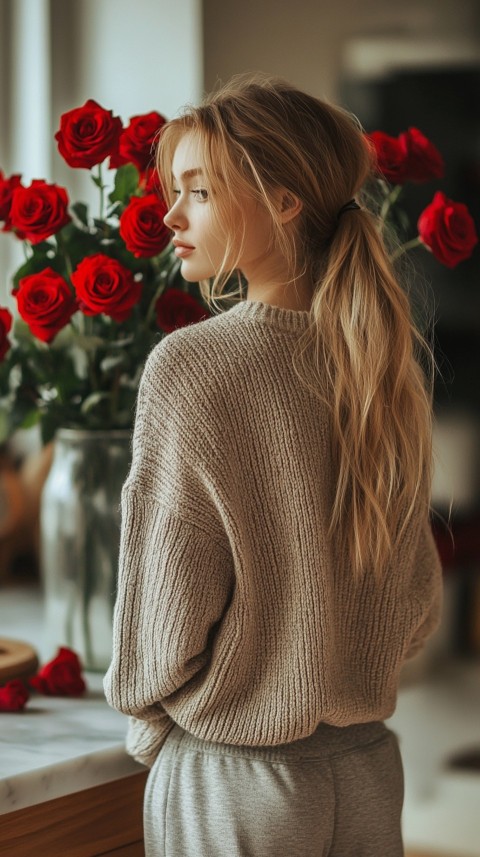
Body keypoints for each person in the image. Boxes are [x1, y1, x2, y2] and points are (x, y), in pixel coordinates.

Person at [104, 73, 443, 857]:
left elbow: (164, 622)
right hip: (365, 775)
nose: (171, 215)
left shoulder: (191, 367)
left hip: (236, 782)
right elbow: (418, 604)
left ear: (284, 201)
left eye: (199, 191)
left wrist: (160, 739)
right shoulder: (378, 363)